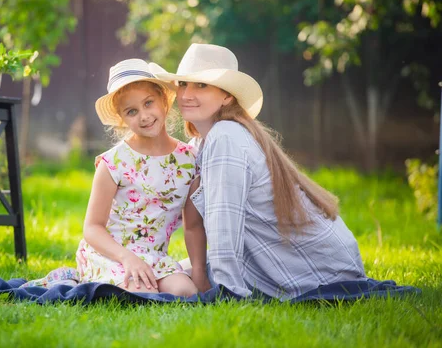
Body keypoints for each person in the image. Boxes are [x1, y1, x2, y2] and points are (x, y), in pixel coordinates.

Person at [154, 44, 367, 300]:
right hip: (284, 260)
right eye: (183, 83)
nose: (187, 94)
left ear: (227, 96)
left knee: (173, 284)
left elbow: (225, 227)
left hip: (320, 271)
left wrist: (225, 291)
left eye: (201, 85)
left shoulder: (226, 137)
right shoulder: (201, 143)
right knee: (166, 277)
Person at [75, 58, 199, 296]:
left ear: (164, 100)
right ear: (122, 118)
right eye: (132, 111)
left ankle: (175, 274)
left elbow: (192, 226)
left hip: (154, 256)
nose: (143, 116)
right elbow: (92, 228)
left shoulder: (189, 159)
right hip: (110, 253)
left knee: (185, 291)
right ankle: (104, 278)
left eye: (148, 103)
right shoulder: (113, 163)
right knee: (139, 292)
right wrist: (127, 258)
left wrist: (200, 276)